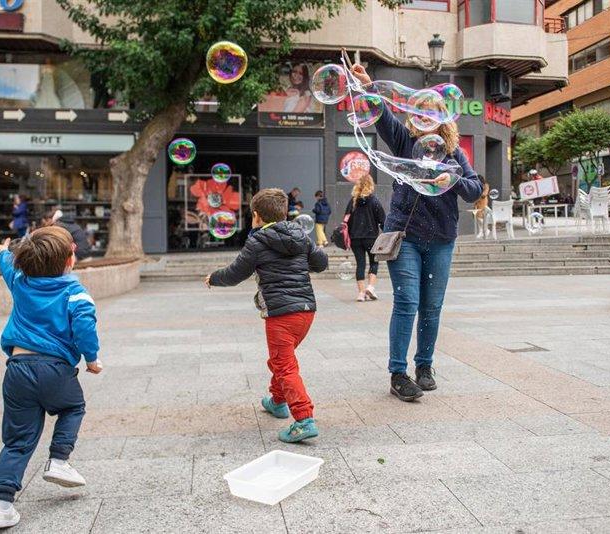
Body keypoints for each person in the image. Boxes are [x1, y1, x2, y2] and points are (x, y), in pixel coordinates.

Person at [351, 63, 482, 402]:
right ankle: (398, 372)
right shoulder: (404, 141)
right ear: (415, 115)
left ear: (443, 117)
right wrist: (367, 87)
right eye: (421, 109)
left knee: (432, 307)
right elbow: (382, 117)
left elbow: (474, 188)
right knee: (407, 302)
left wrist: (451, 179)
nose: (426, 114)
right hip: (405, 237)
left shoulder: (454, 154)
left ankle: (424, 366)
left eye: (433, 110)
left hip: (441, 239)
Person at [0, 226, 103, 529]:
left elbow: (9, 264)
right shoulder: (75, 292)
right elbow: (85, 328)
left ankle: (0, 504)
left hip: (17, 370)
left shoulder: (20, 281)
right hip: (55, 370)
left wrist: (1, 253)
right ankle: (59, 460)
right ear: (69, 262)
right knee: (73, 407)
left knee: (18, 441)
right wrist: (93, 359)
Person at [205, 188, 328, 443]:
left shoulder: (257, 241)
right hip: (306, 312)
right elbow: (320, 263)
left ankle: (304, 418)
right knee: (281, 359)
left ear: (257, 216)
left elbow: (235, 273)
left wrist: (213, 278)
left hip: (280, 315)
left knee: (284, 365)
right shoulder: (301, 236)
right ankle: (277, 401)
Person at [344, 175, 385, 302]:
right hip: (371, 238)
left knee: (360, 264)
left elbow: (346, 220)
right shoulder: (374, 201)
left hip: (355, 238)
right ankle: (371, 287)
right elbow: (383, 221)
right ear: (370, 185)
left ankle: (361, 293)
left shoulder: (353, 201)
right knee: (374, 262)